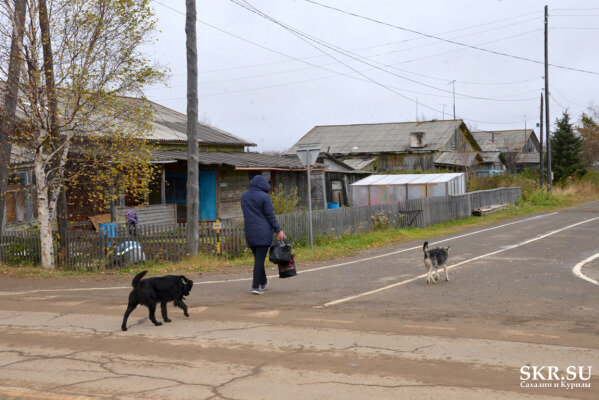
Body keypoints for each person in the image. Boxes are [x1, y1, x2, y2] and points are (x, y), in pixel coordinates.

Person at [241, 175, 286, 294]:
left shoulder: (244, 196)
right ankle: (255, 286)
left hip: (249, 233)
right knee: (259, 261)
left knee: (258, 259)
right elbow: (270, 215)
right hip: (263, 233)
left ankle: (264, 281)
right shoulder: (265, 197)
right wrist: (278, 230)